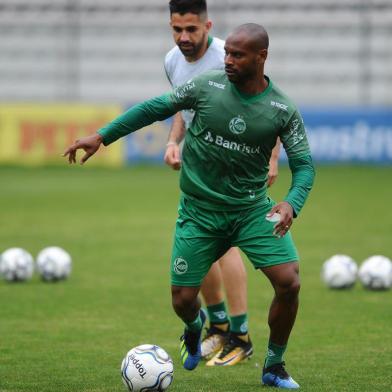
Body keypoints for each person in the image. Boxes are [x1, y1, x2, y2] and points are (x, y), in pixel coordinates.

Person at [64, 23, 315, 389]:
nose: (227, 60)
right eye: (227, 52)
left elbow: (305, 165)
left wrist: (293, 203)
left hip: (250, 211)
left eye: (238, 55)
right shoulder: (205, 86)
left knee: (289, 282)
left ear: (261, 57)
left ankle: (273, 366)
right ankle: (195, 329)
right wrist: (102, 136)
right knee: (183, 300)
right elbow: (154, 108)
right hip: (199, 212)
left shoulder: (281, 109)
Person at [164, 0, 280, 366]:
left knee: (227, 247)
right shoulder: (171, 61)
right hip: (201, 170)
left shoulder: (227, 57)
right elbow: (186, 107)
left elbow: (267, 105)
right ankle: (217, 324)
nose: (183, 37)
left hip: (236, 168)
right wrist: (172, 141)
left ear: (207, 25)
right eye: (176, 29)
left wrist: (273, 158)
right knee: (203, 247)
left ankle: (240, 335)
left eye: (191, 30)